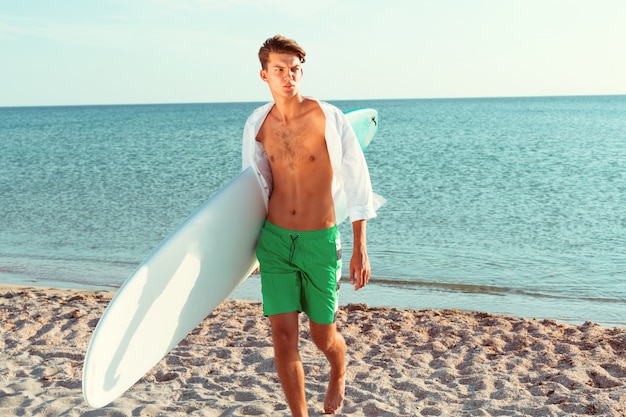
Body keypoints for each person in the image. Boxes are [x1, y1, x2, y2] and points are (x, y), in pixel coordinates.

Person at [241, 35, 383, 416]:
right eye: (279, 70)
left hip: (320, 240)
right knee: (283, 337)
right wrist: (245, 253)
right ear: (264, 75)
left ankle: (339, 369)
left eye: (294, 70)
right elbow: (253, 187)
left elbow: (357, 180)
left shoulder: (327, 117)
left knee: (323, 335)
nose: (288, 77)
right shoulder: (257, 124)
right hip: (274, 242)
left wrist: (360, 248)